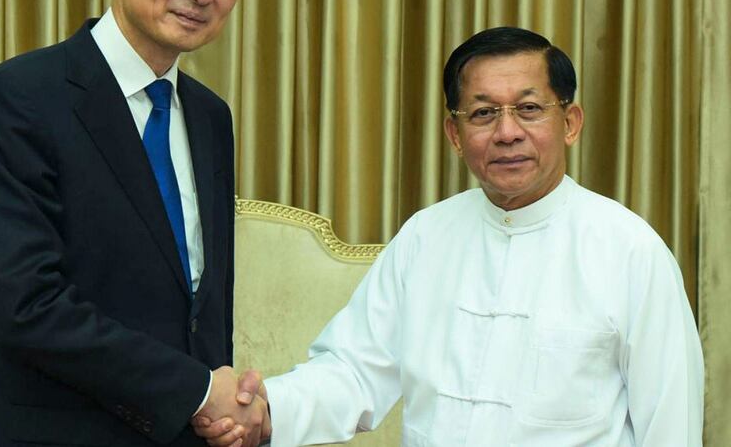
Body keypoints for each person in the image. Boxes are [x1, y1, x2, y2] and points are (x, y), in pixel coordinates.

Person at [198, 26, 704, 446]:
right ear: (455, 136)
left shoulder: (631, 251)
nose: (507, 133)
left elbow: (670, 424)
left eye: (529, 109)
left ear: (570, 122)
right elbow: (355, 372)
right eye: (483, 113)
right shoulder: (426, 237)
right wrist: (267, 410)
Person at [0, 0, 269, 447]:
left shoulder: (210, 116)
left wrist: (221, 411)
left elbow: (200, 301)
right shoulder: (17, 98)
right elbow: (29, 308)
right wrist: (199, 392)